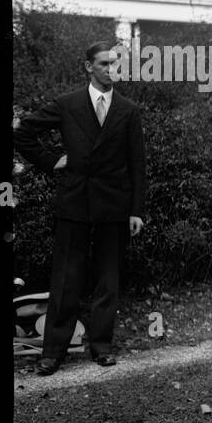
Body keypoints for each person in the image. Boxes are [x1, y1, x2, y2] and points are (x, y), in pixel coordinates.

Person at [14, 41, 147, 375]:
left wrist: (136, 210)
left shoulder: (127, 110)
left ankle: (101, 346)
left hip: (113, 205)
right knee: (66, 279)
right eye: (104, 63)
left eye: (115, 63)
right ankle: (53, 351)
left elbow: (138, 166)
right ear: (89, 66)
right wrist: (52, 161)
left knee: (108, 278)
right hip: (74, 201)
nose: (111, 69)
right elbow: (24, 133)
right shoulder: (68, 104)